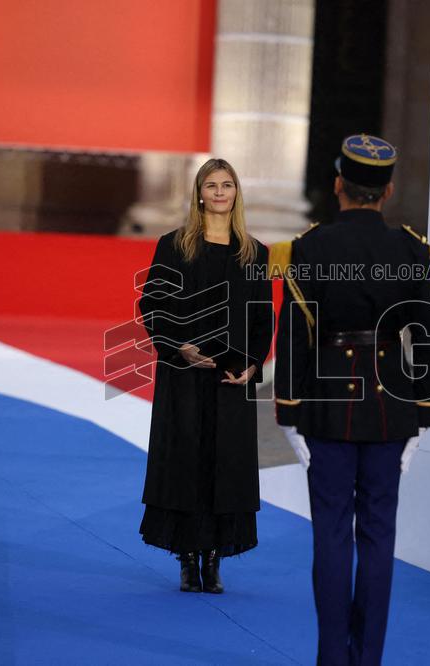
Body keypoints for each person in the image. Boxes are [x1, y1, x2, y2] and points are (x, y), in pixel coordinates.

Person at [272, 134, 430, 665]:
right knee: (378, 535)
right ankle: (366, 658)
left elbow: (295, 334)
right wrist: (422, 414)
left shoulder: (308, 248)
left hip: (325, 405)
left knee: (330, 534)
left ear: (337, 186)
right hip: (391, 405)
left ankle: (331, 657)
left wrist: (288, 411)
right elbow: (427, 337)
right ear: (388, 191)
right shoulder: (413, 251)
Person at [137, 158, 274, 594]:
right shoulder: (173, 245)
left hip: (231, 378)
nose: (219, 192)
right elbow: (153, 305)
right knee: (185, 462)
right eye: (211, 185)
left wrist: (253, 364)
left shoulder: (256, 253)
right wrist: (178, 346)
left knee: (225, 465)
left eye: (227, 185)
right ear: (199, 193)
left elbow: (261, 318)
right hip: (184, 371)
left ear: (236, 193)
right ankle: (187, 556)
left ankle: (214, 557)